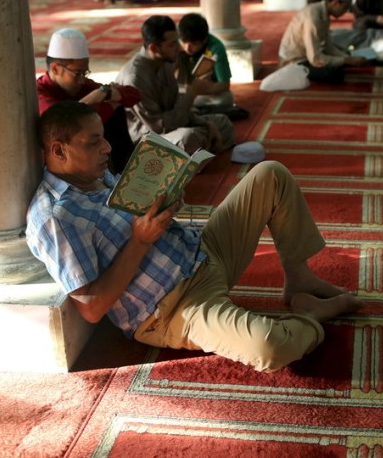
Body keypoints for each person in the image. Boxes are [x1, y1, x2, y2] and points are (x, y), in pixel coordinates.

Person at [26, 102, 364, 372]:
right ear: (58, 151)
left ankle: (299, 280)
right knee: (271, 347)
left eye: (103, 137)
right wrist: (141, 240)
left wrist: (167, 199)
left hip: (202, 251)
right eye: (94, 141)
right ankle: (310, 317)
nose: (107, 147)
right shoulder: (55, 217)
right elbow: (91, 308)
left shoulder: (92, 175)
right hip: (175, 307)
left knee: (270, 174)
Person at [115, 15, 234, 155]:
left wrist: (205, 123)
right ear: (154, 48)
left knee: (222, 122)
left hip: (174, 125)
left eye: (177, 41)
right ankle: (200, 151)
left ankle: (198, 154)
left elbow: (175, 107)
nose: (179, 47)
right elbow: (159, 127)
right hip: (147, 139)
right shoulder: (134, 78)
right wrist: (191, 94)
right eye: (172, 44)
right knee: (188, 138)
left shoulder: (166, 62)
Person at [37, 28, 141, 171]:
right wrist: (102, 105)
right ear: (55, 69)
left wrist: (106, 92)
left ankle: (126, 172)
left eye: (84, 73)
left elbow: (133, 95)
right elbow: (60, 123)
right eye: (77, 73)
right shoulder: (41, 92)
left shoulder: (82, 85)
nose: (81, 79)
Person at [278, 0, 370, 84]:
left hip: (308, 56)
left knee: (344, 57)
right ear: (335, 2)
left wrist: (348, 58)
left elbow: (327, 46)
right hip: (295, 63)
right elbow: (315, 58)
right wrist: (346, 61)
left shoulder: (324, 14)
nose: (345, 12)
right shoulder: (313, 17)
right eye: (345, 8)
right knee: (334, 73)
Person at [176, 12, 247, 120]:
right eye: (184, 42)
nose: (187, 48)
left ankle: (190, 109)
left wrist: (204, 89)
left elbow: (224, 85)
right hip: (179, 89)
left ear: (204, 40)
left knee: (226, 98)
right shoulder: (174, 42)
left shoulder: (216, 48)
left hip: (203, 93)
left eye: (193, 44)